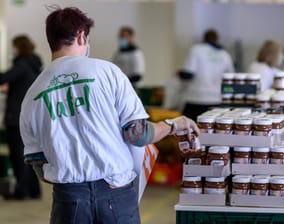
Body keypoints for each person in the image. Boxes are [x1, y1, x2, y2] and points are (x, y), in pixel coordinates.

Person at [20, 7, 199, 224]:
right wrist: (173, 124)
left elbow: (38, 164)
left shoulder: (32, 94)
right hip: (115, 194)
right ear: (81, 36)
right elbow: (138, 135)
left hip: (68, 200)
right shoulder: (106, 72)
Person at [0, 35, 42, 199]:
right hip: (28, 116)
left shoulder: (22, 65)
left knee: (18, 156)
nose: (13, 50)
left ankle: (21, 191)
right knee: (29, 156)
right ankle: (33, 190)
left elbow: (3, 78)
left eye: (14, 47)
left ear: (20, 48)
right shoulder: (34, 65)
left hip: (16, 118)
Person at [179, 29, 234, 120]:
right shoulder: (225, 54)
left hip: (196, 99)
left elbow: (188, 74)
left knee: (190, 131)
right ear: (217, 39)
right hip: (217, 100)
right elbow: (230, 79)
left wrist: (179, 73)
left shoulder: (196, 50)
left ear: (204, 38)